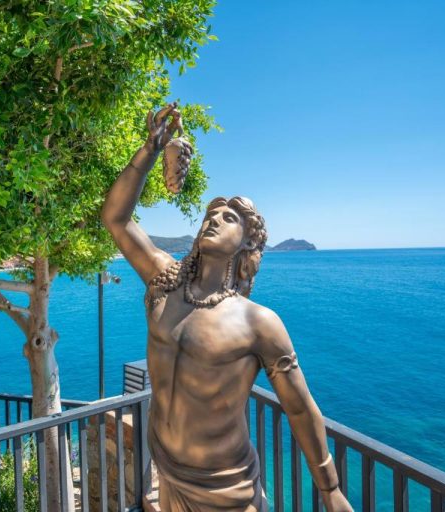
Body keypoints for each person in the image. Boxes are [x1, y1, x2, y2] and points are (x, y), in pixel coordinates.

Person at [101, 103, 352, 512]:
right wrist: (149, 150)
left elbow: (300, 408)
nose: (214, 219)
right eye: (209, 215)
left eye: (229, 217)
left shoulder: (258, 323)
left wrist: (330, 490)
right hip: (169, 470)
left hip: (226, 489)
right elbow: (116, 218)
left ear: (248, 243)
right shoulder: (165, 281)